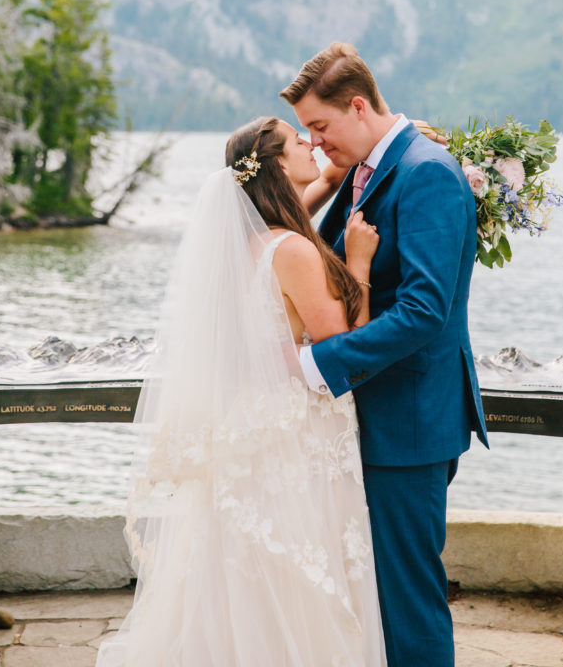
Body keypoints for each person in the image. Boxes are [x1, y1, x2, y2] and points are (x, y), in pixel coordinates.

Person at [96, 116, 388, 666]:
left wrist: (367, 145)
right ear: (277, 164)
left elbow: (319, 181)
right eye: (299, 140)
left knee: (248, 560)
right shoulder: (294, 252)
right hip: (300, 430)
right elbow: (346, 344)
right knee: (303, 561)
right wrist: (359, 261)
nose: (312, 143)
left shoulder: (250, 245)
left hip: (256, 425)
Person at [279, 42, 489, 667]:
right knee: (375, 596)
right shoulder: (368, 169)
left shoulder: (427, 173)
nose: (315, 143)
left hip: (411, 421)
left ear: (359, 106)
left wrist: (323, 364)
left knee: (407, 599)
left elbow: (424, 311)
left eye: (320, 126)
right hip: (380, 416)